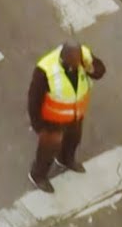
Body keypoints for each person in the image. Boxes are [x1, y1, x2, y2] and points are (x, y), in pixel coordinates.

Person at [27, 40, 107, 193]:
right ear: (64, 59)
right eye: (73, 63)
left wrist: (91, 67)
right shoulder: (46, 70)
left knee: (74, 140)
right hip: (52, 121)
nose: (77, 66)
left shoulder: (84, 57)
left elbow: (100, 72)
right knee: (47, 150)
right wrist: (38, 126)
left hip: (75, 114)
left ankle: (65, 159)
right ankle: (38, 175)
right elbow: (34, 99)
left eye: (78, 61)